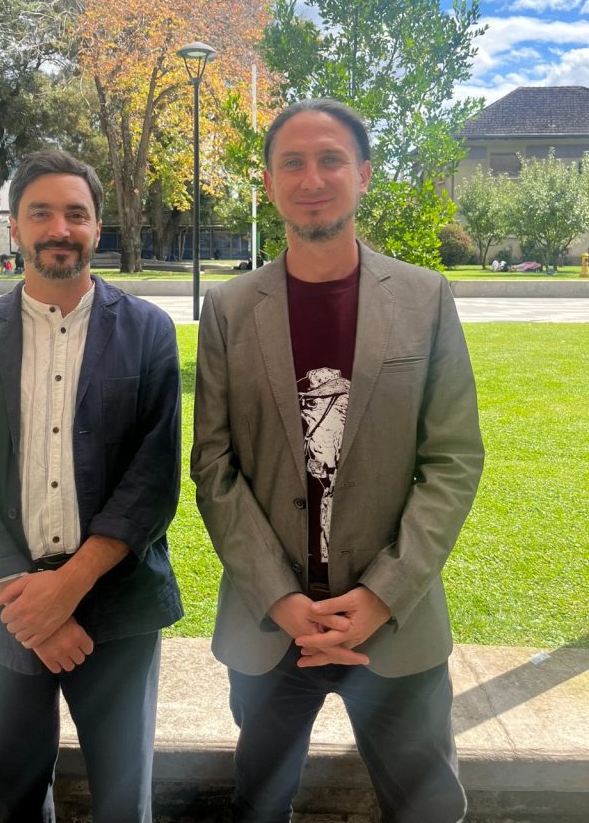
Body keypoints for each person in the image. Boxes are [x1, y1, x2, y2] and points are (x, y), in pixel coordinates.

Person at [192, 98, 484, 823]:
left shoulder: (424, 298)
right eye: (292, 162)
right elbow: (214, 467)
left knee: (427, 810)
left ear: (364, 175)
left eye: (331, 160)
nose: (312, 178)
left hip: (395, 624)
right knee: (258, 805)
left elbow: (452, 459)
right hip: (270, 629)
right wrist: (280, 599)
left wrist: (384, 593)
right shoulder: (229, 309)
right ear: (268, 182)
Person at [0, 149, 183, 823]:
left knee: (125, 805)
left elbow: (153, 479)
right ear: (15, 225)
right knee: (14, 800)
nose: (59, 229)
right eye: (40, 212)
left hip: (118, 608)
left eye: (76, 213)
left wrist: (66, 589)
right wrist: (30, 608)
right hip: (2, 611)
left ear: (98, 227)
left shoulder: (148, 333)